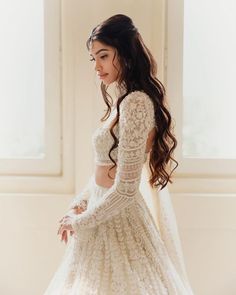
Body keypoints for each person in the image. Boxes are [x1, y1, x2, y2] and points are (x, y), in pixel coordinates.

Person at [44, 14, 194, 295]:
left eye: (103, 56)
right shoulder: (122, 102)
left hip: (120, 218)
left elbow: (125, 189)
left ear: (125, 53)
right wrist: (78, 204)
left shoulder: (136, 102)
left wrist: (80, 222)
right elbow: (103, 170)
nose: (97, 67)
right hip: (101, 209)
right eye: (93, 59)